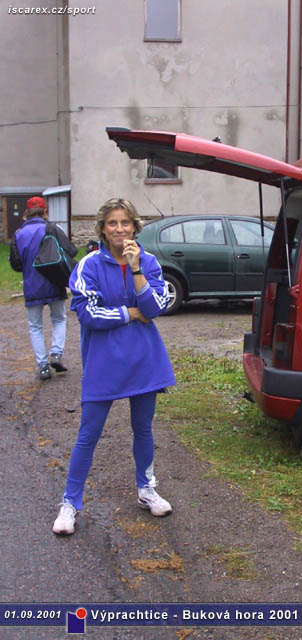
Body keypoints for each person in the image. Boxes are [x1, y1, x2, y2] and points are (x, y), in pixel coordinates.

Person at [52, 198, 175, 535]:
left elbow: (155, 307)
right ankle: (70, 503)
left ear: (135, 227)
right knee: (88, 434)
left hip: (144, 359)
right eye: (112, 223)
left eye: (125, 223)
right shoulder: (89, 265)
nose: (120, 229)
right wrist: (130, 313)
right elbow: (88, 314)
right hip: (103, 361)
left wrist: (136, 271)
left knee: (143, 428)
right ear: (102, 229)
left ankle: (146, 488)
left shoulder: (148, 262)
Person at [9, 196, 77, 380]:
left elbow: (16, 264)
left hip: (32, 286)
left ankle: (43, 366)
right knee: (59, 319)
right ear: (45, 211)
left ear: (26, 212)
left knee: (35, 327)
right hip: (54, 281)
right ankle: (56, 353)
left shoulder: (18, 234)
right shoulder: (52, 228)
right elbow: (71, 250)